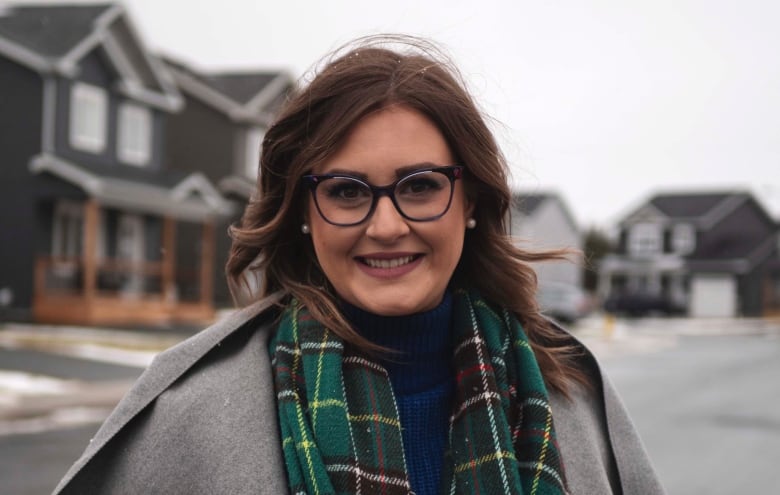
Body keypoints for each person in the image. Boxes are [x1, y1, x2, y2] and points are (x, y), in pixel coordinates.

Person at [53, 35, 665, 495]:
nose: (387, 225)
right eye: (346, 191)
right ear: (302, 211)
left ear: (471, 201)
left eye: (420, 186)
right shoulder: (192, 417)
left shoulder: (570, 397)